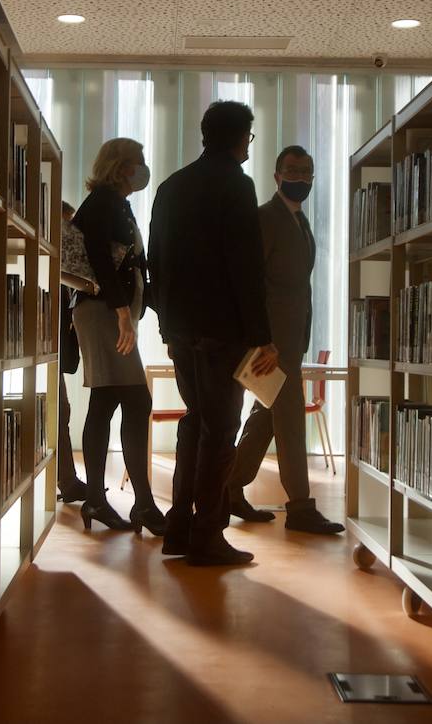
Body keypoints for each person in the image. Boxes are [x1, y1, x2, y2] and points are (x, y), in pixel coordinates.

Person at [149, 100, 279, 566]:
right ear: (241, 137)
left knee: (194, 421)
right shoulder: (236, 185)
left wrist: (164, 321)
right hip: (223, 331)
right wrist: (261, 335)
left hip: (180, 329)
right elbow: (244, 268)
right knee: (221, 430)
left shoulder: (171, 186)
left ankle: (179, 526)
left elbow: (155, 259)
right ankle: (207, 535)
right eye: (250, 135)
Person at [227, 146, 344, 535]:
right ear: (276, 175)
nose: (301, 177)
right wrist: (261, 339)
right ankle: (300, 506)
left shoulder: (300, 221)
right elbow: (251, 281)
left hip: (291, 338)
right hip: (271, 342)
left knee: (266, 417)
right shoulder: (265, 218)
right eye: (292, 170)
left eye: (307, 171)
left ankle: (230, 487)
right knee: (290, 417)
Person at [71, 138, 166, 535]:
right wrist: (123, 314)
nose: (142, 169)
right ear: (120, 166)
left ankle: (98, 499)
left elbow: (131, 264)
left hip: (109, 313)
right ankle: (140, 503)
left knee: (108, 399)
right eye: (137, 162)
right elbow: (99, 264)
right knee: (134, 399)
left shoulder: (115, 203)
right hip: (104, 314)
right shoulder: (104, 204)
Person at [57, 200, 91, 504]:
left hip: (53, 352)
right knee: (59, 412)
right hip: (44, 351)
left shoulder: (63, 266)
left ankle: (68, 482)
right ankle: (67, 483)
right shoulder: (53, 266)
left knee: (61, 412)